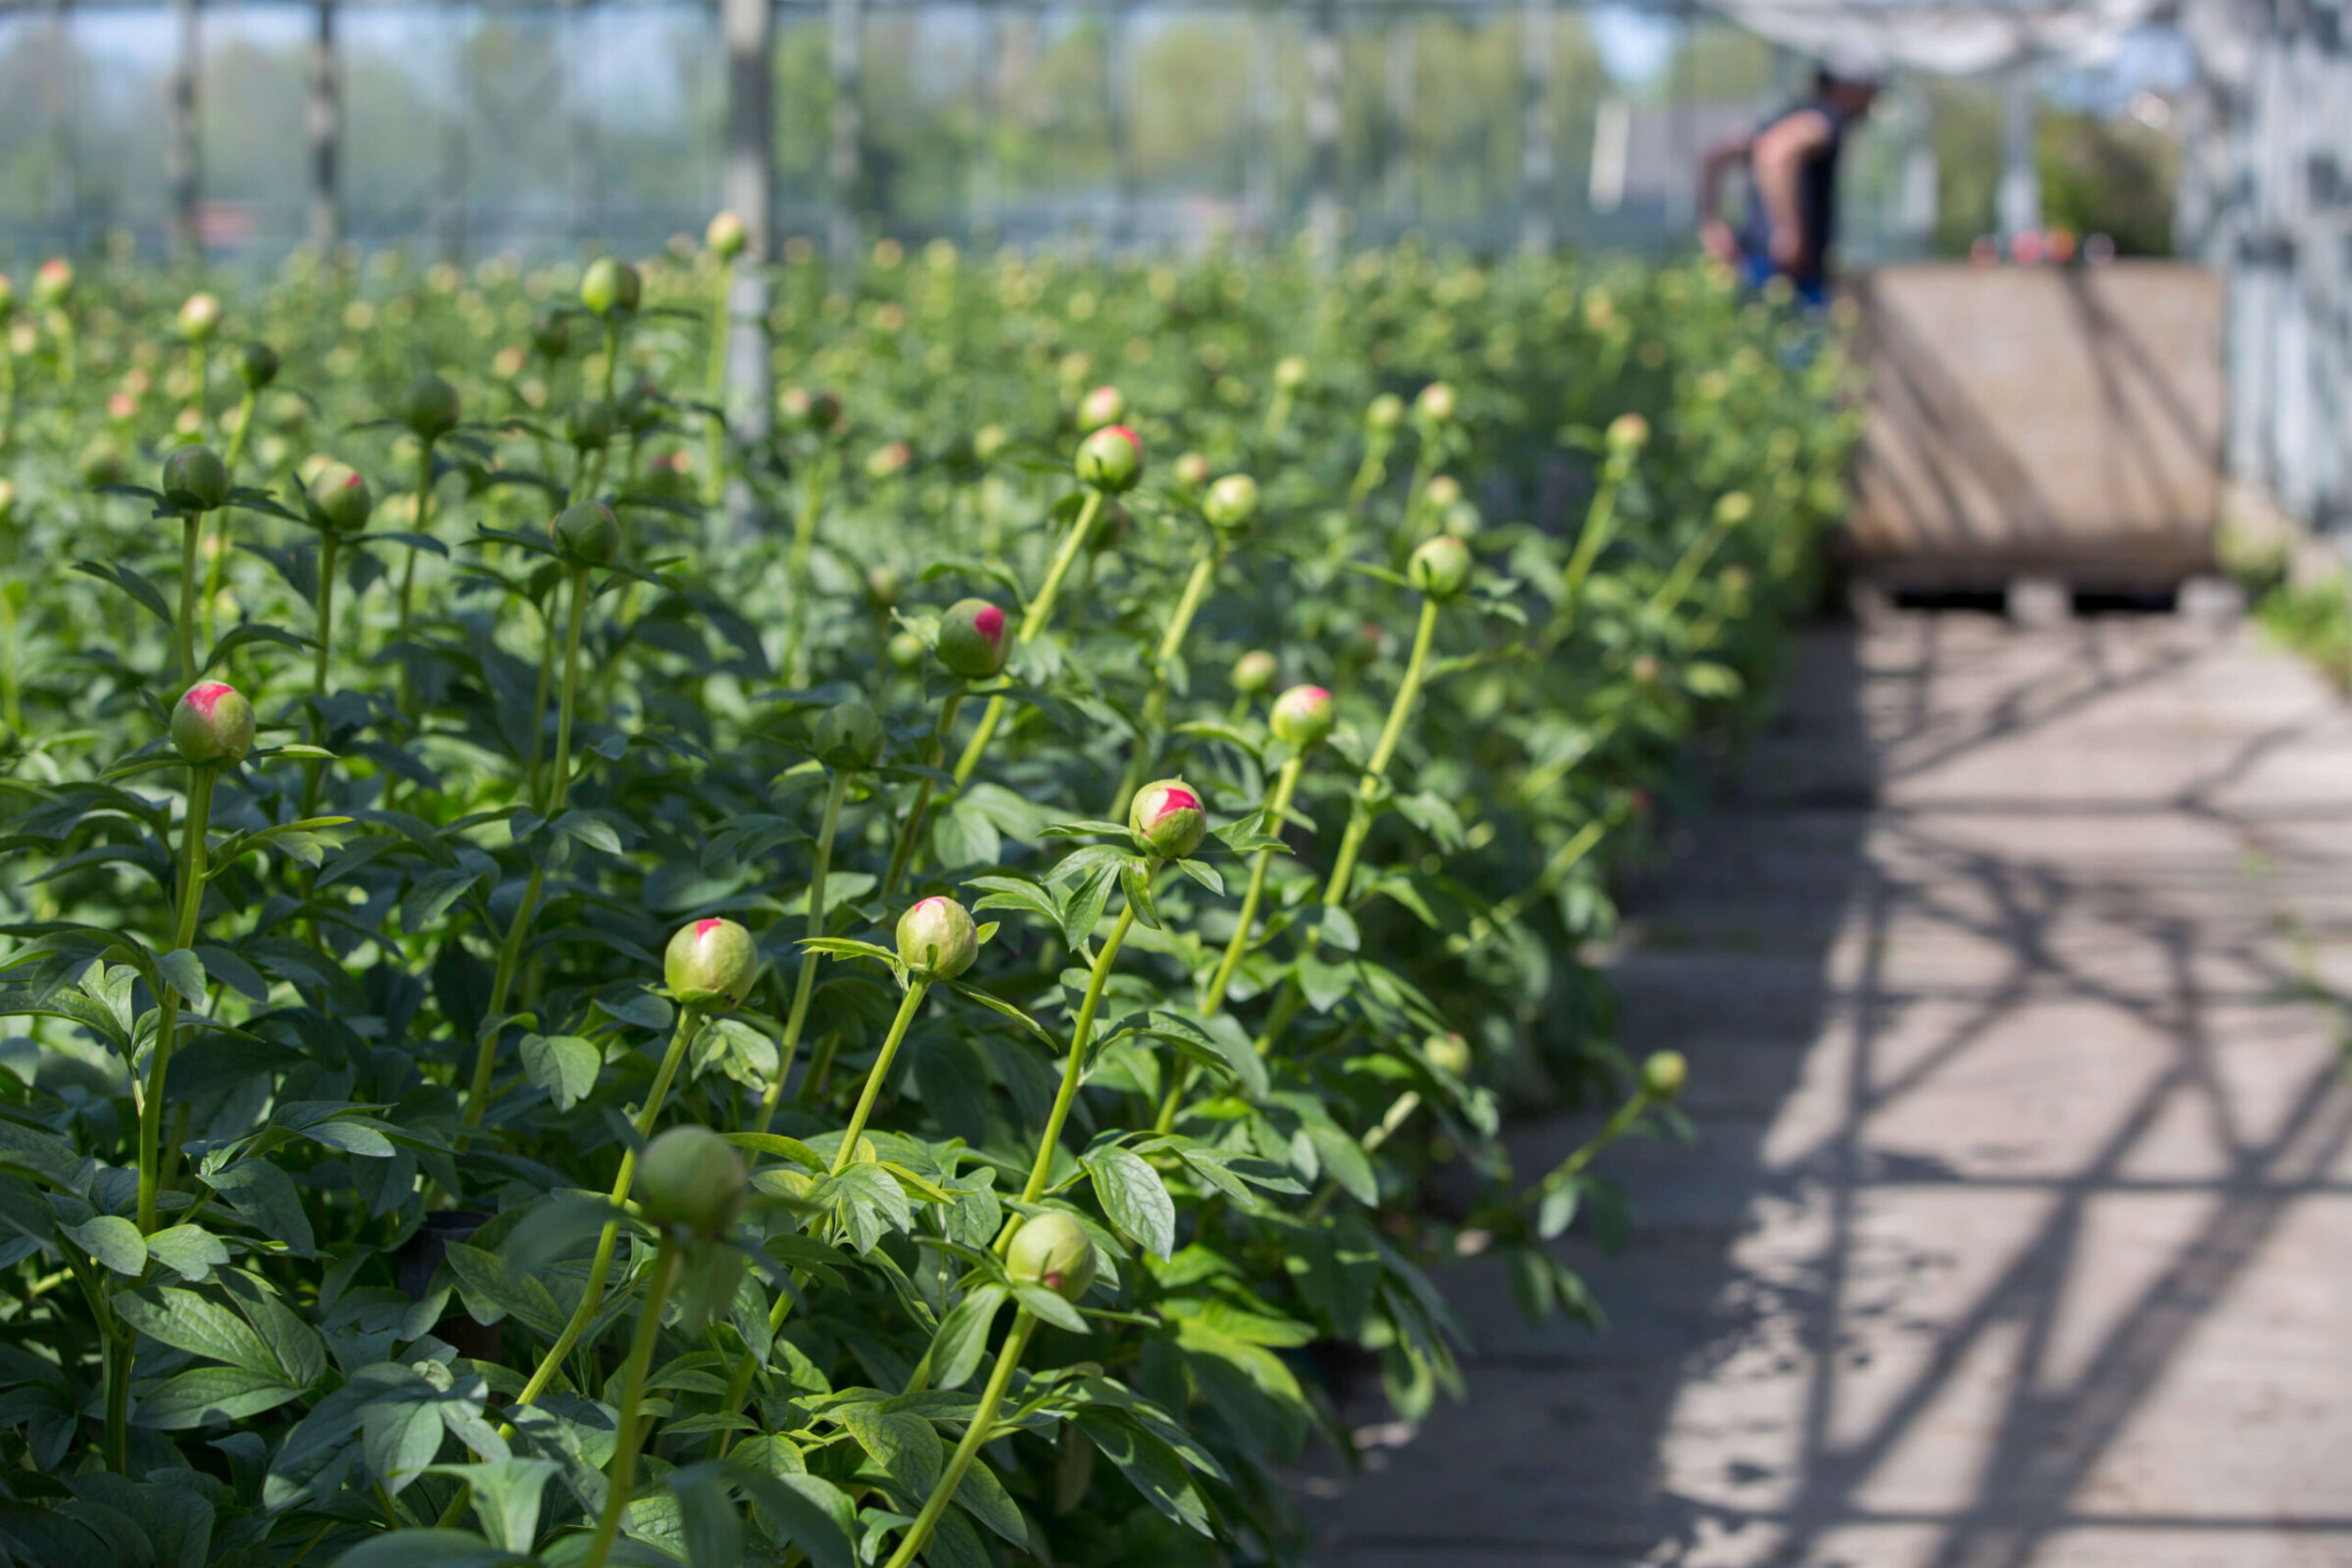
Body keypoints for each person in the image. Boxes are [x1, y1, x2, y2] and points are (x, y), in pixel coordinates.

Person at [1698, 58, 1881, 306]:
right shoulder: (1826, 119)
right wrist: (1787, 230)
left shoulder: (1790, 115)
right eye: (1871, 90)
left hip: (1757, 259)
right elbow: (1775, 151)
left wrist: (1711, 223)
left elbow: (1714, 157)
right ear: (1849, 87)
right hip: (1787, 269)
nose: (1873, 100)